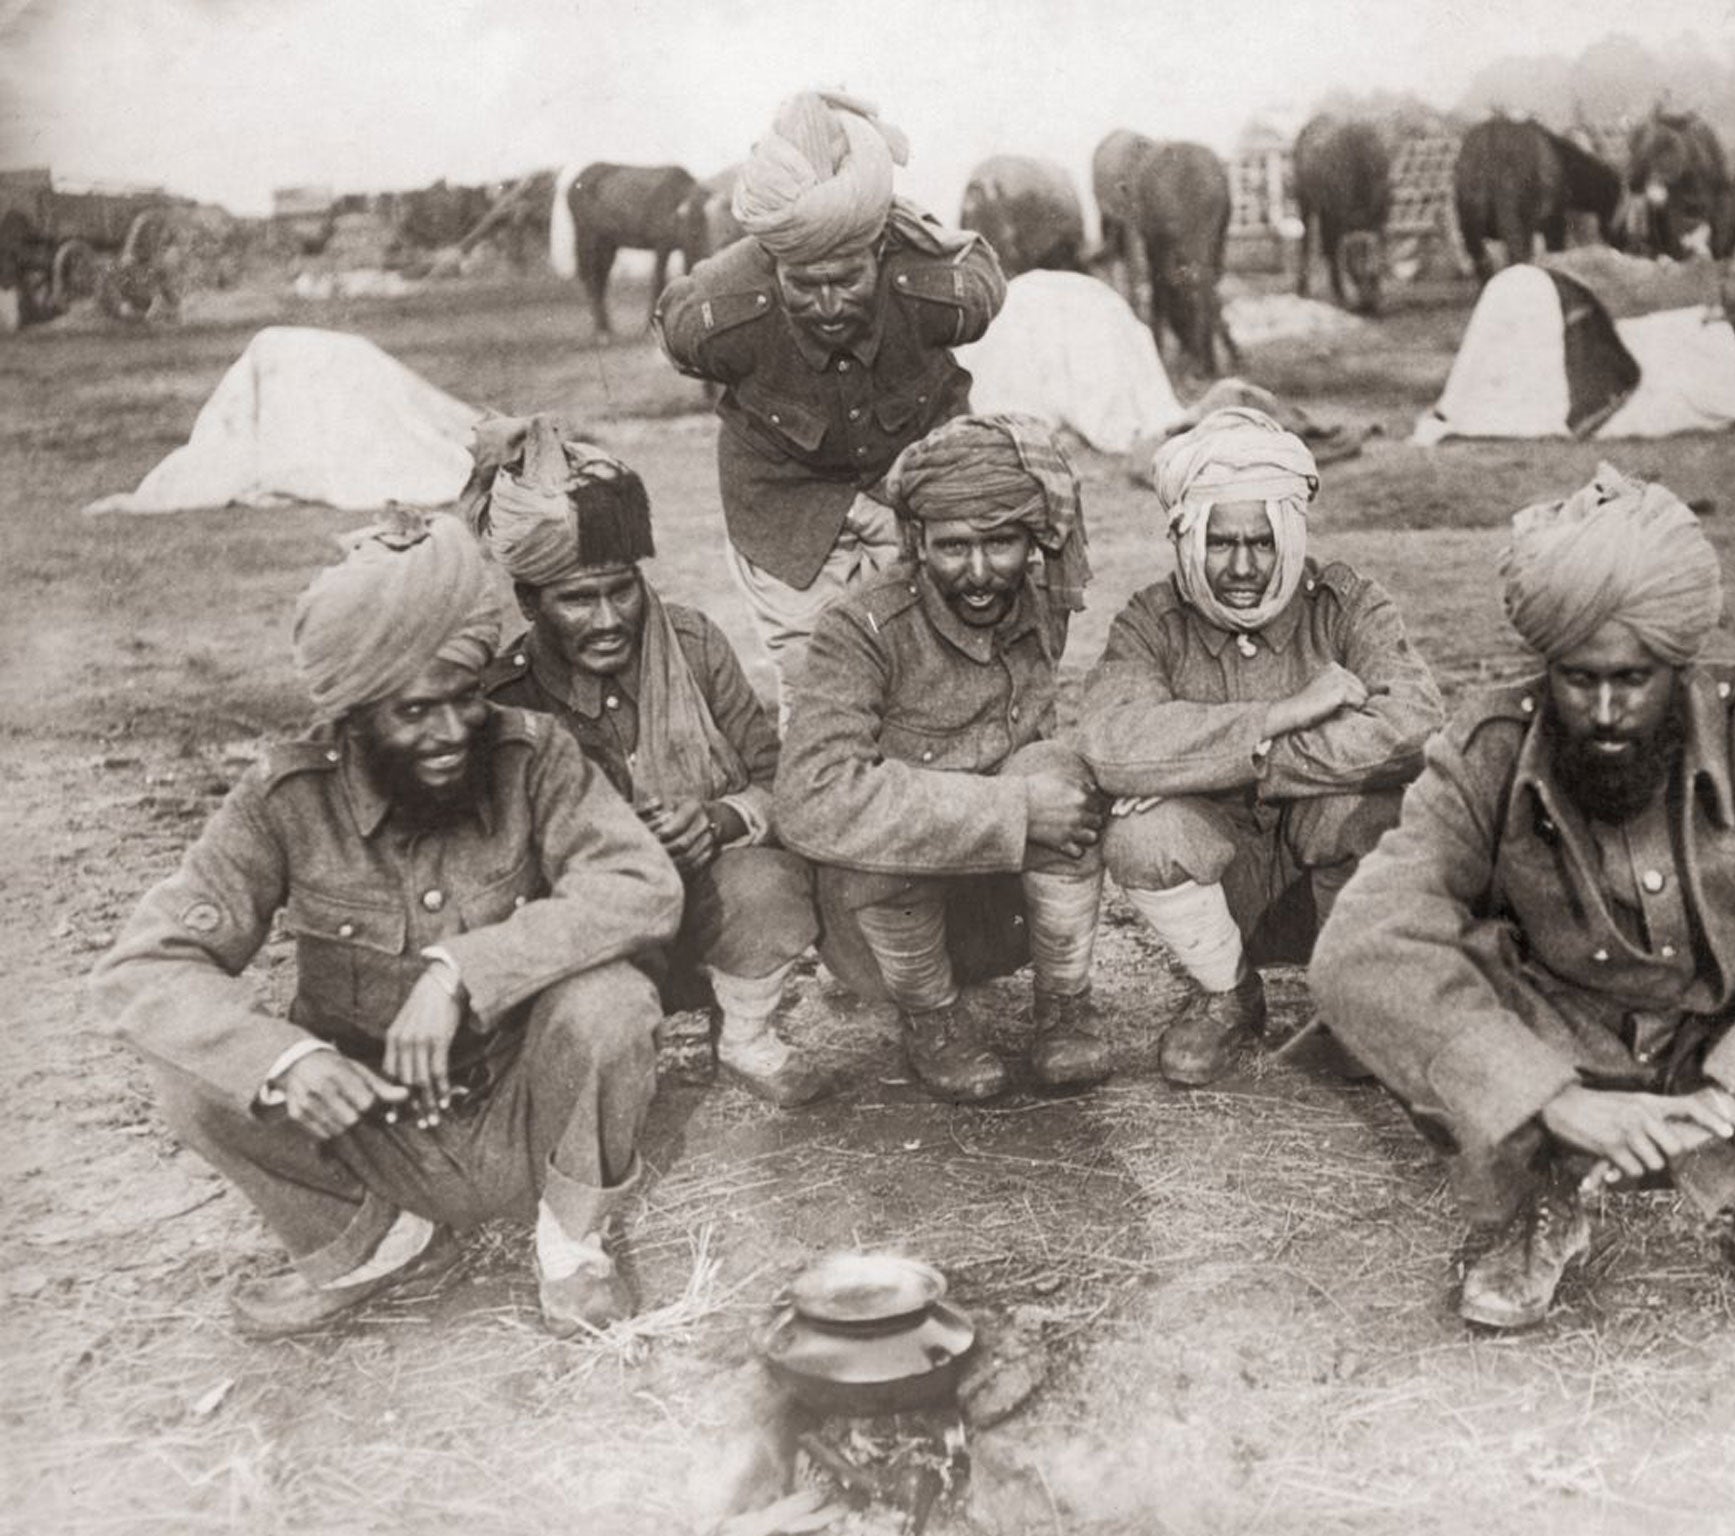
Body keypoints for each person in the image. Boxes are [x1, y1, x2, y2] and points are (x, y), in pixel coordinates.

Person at [1309, 466, 1735, 1334]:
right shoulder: (1486, 751)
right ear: (1546, 669)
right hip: (1567, 1051)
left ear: (1679, 664)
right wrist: (1552, 1098)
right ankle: (1538, 1198)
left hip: (1732, 1051)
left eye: (1636, 679)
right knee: (1412, 975)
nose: (1609, 710)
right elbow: (1359, 947)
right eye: (1580, 680)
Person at [90, 512, 684, 1341]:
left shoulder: (531, 755)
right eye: (413, 712)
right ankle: (377, 1246)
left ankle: (572, 1242)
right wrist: (284, 1061)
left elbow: (641, 885)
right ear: (355, 715)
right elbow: (142, 968)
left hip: (527, 1116)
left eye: (464, 700)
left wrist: (461, 972)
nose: (449, 734)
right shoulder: (284, 801)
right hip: (373, 1131)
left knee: (612, 1000)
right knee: (198, 1074)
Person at [467, 415, 828, 1108]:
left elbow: (783, 777)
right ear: (529, 602)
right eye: (577, 598)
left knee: (769, 882)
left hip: (701, 911)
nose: (608, 619)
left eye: (621, 589)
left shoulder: (692, 644)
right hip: (588, 927)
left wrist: (721, 820)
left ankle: (745, 1036)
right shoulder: (503, 697)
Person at [1076, 408, 1444, 1085]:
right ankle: (1228, 993)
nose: (1242, 566)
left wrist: (1255, 761)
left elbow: (1414, 722)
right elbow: (1111, 743)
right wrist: (1281, 714)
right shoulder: (1152, 620)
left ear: (1292, 536)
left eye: (1262, 541)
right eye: (1219, 543)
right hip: (1226, 878)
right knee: (1142, 834)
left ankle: (1350, 1003)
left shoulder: (1348, 605)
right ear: (1185, 539)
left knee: (1371, 808)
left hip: (1325, 879)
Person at [774, 414, 1104, 1103]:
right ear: (916, 541)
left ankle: (1065, 1006)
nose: (980, 573)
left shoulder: (1039, 605)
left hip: (995, 913)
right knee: (934, 814)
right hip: (884, 924)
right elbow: (813, 798)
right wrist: (1012, 810)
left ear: (1033, 540)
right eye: (953, 547)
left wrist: (1038, 798)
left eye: (1002, 543)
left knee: (1059, 776)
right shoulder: (860, 626)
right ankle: (932, 1021)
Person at [654, 90, 1007, 708]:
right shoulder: (725, 314)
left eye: (846, 280)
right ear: (773, 264)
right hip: (783, 505)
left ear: (879, 251)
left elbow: (984, 284)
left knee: (936, 662)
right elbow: (674, 331)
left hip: (908, 487)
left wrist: (914, 227)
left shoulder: (930, 291)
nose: (826, 305)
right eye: (804, 285)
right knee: (815, 678)